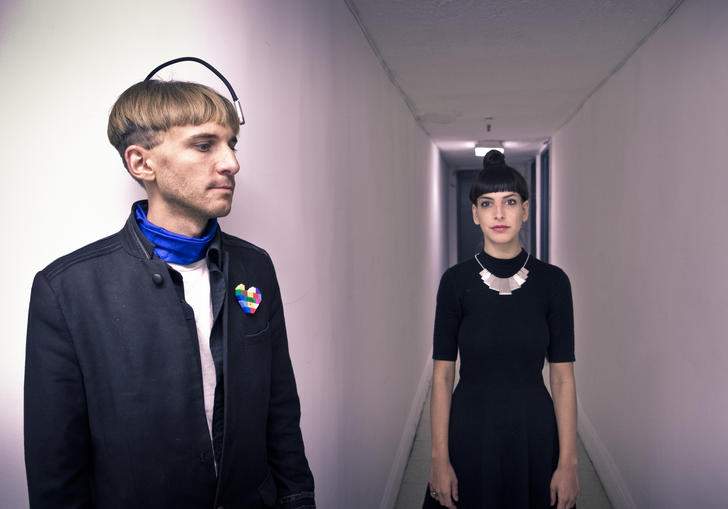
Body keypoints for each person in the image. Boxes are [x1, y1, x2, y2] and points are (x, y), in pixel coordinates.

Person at [24, 67, 315, 508]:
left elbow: (280, 409)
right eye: (204, 145)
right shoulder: (68, 290)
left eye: (231, 144)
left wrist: (298, 499)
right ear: (142, 163)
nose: (232, 163)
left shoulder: (254, 267)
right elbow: (57, 468)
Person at [424, 150, 578, 509]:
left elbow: (562, 379)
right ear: (475, 213)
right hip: (470, 433)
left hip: (534, 434)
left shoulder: (553, 283)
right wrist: (438, 458)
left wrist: (569, 463)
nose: (499, 213)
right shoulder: (455, 282)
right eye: (487, 203)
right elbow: (443, 376)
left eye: (509, 202)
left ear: (525, 209)